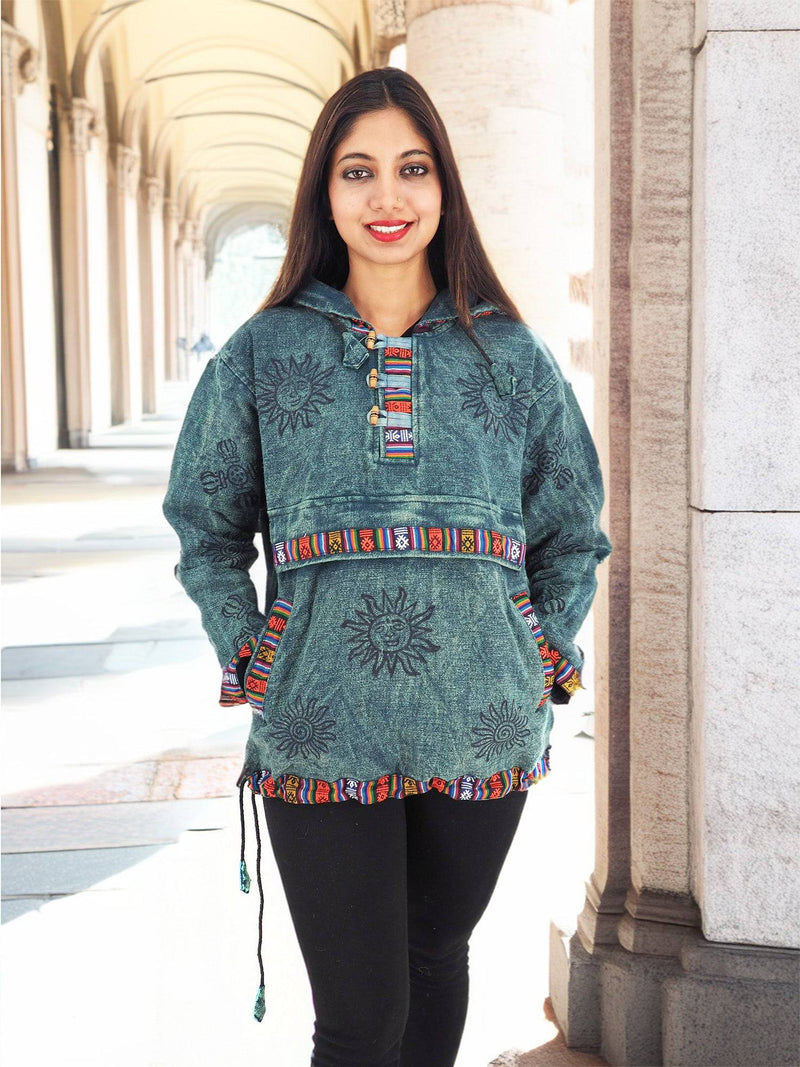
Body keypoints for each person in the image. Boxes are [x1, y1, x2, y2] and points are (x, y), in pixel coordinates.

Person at [163, 66, 611, 1067]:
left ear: (443, 189)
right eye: (356, 171)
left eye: (411, 169)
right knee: (360, 1020)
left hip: (483, 721)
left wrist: (538, 646)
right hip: (318, 726)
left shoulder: (509, 356)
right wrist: (254, 649)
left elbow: (572, 524)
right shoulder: (262, 354)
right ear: (324, 195)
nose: (387, 197)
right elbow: (203, 518)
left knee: (435, 953)